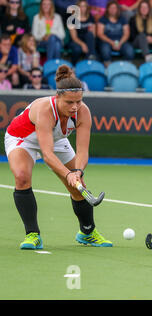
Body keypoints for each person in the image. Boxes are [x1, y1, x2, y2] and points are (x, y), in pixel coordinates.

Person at [4, 65, 112, 250]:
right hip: (23, 138)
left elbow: (82, 150)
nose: (75, 107)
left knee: (80, 185)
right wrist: (67, 174)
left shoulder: (82, 112)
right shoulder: (45, 109)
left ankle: (87, 233)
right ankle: (33, 235)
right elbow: (47, 154)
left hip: (57, 139)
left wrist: (77, 172)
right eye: (69, 102)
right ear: (57, 98)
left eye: (78, 101)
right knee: (22, 176)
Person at [97, 0, 135, 66]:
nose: (113, 10)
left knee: (130, 51)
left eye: (114, 8)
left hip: (121, 40)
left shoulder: (122, 19)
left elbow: (126, 33)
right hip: (107, 41)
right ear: (107, 9)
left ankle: (126, 67)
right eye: (111, 8)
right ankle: (108, 67)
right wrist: (112, 42)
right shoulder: (103, 19)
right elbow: (100, 34)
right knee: (105, 51)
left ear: (117, 9)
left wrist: (120, 43)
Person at [68, 0, 97, 64]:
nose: (82, 8)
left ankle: (90, 60)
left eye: (84, 6)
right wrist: (83, 45)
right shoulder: (72, 19)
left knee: (89, 35)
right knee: (77, 49)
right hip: (76, 41)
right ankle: (73, 64)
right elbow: (74, 37)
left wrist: (92, 32)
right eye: (80, 6)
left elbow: (93, 35)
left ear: (86, 7)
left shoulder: (90, 17)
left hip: (88, 40)